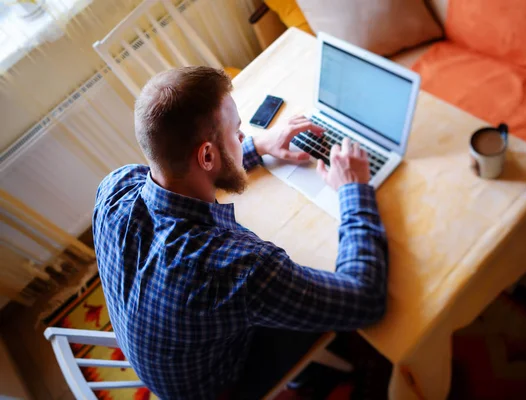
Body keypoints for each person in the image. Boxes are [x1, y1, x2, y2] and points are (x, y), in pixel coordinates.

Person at [92, 66, 388, 400]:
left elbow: (184, 174)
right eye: (238, 133)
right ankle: (312, 379)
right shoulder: (237, 269)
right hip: (218, 387)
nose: (243, 138)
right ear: (207, 155)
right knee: (324, 299)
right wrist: (353, 190)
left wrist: (259, 146)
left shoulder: (115, 187)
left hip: (164, 360)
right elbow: (365, 300)